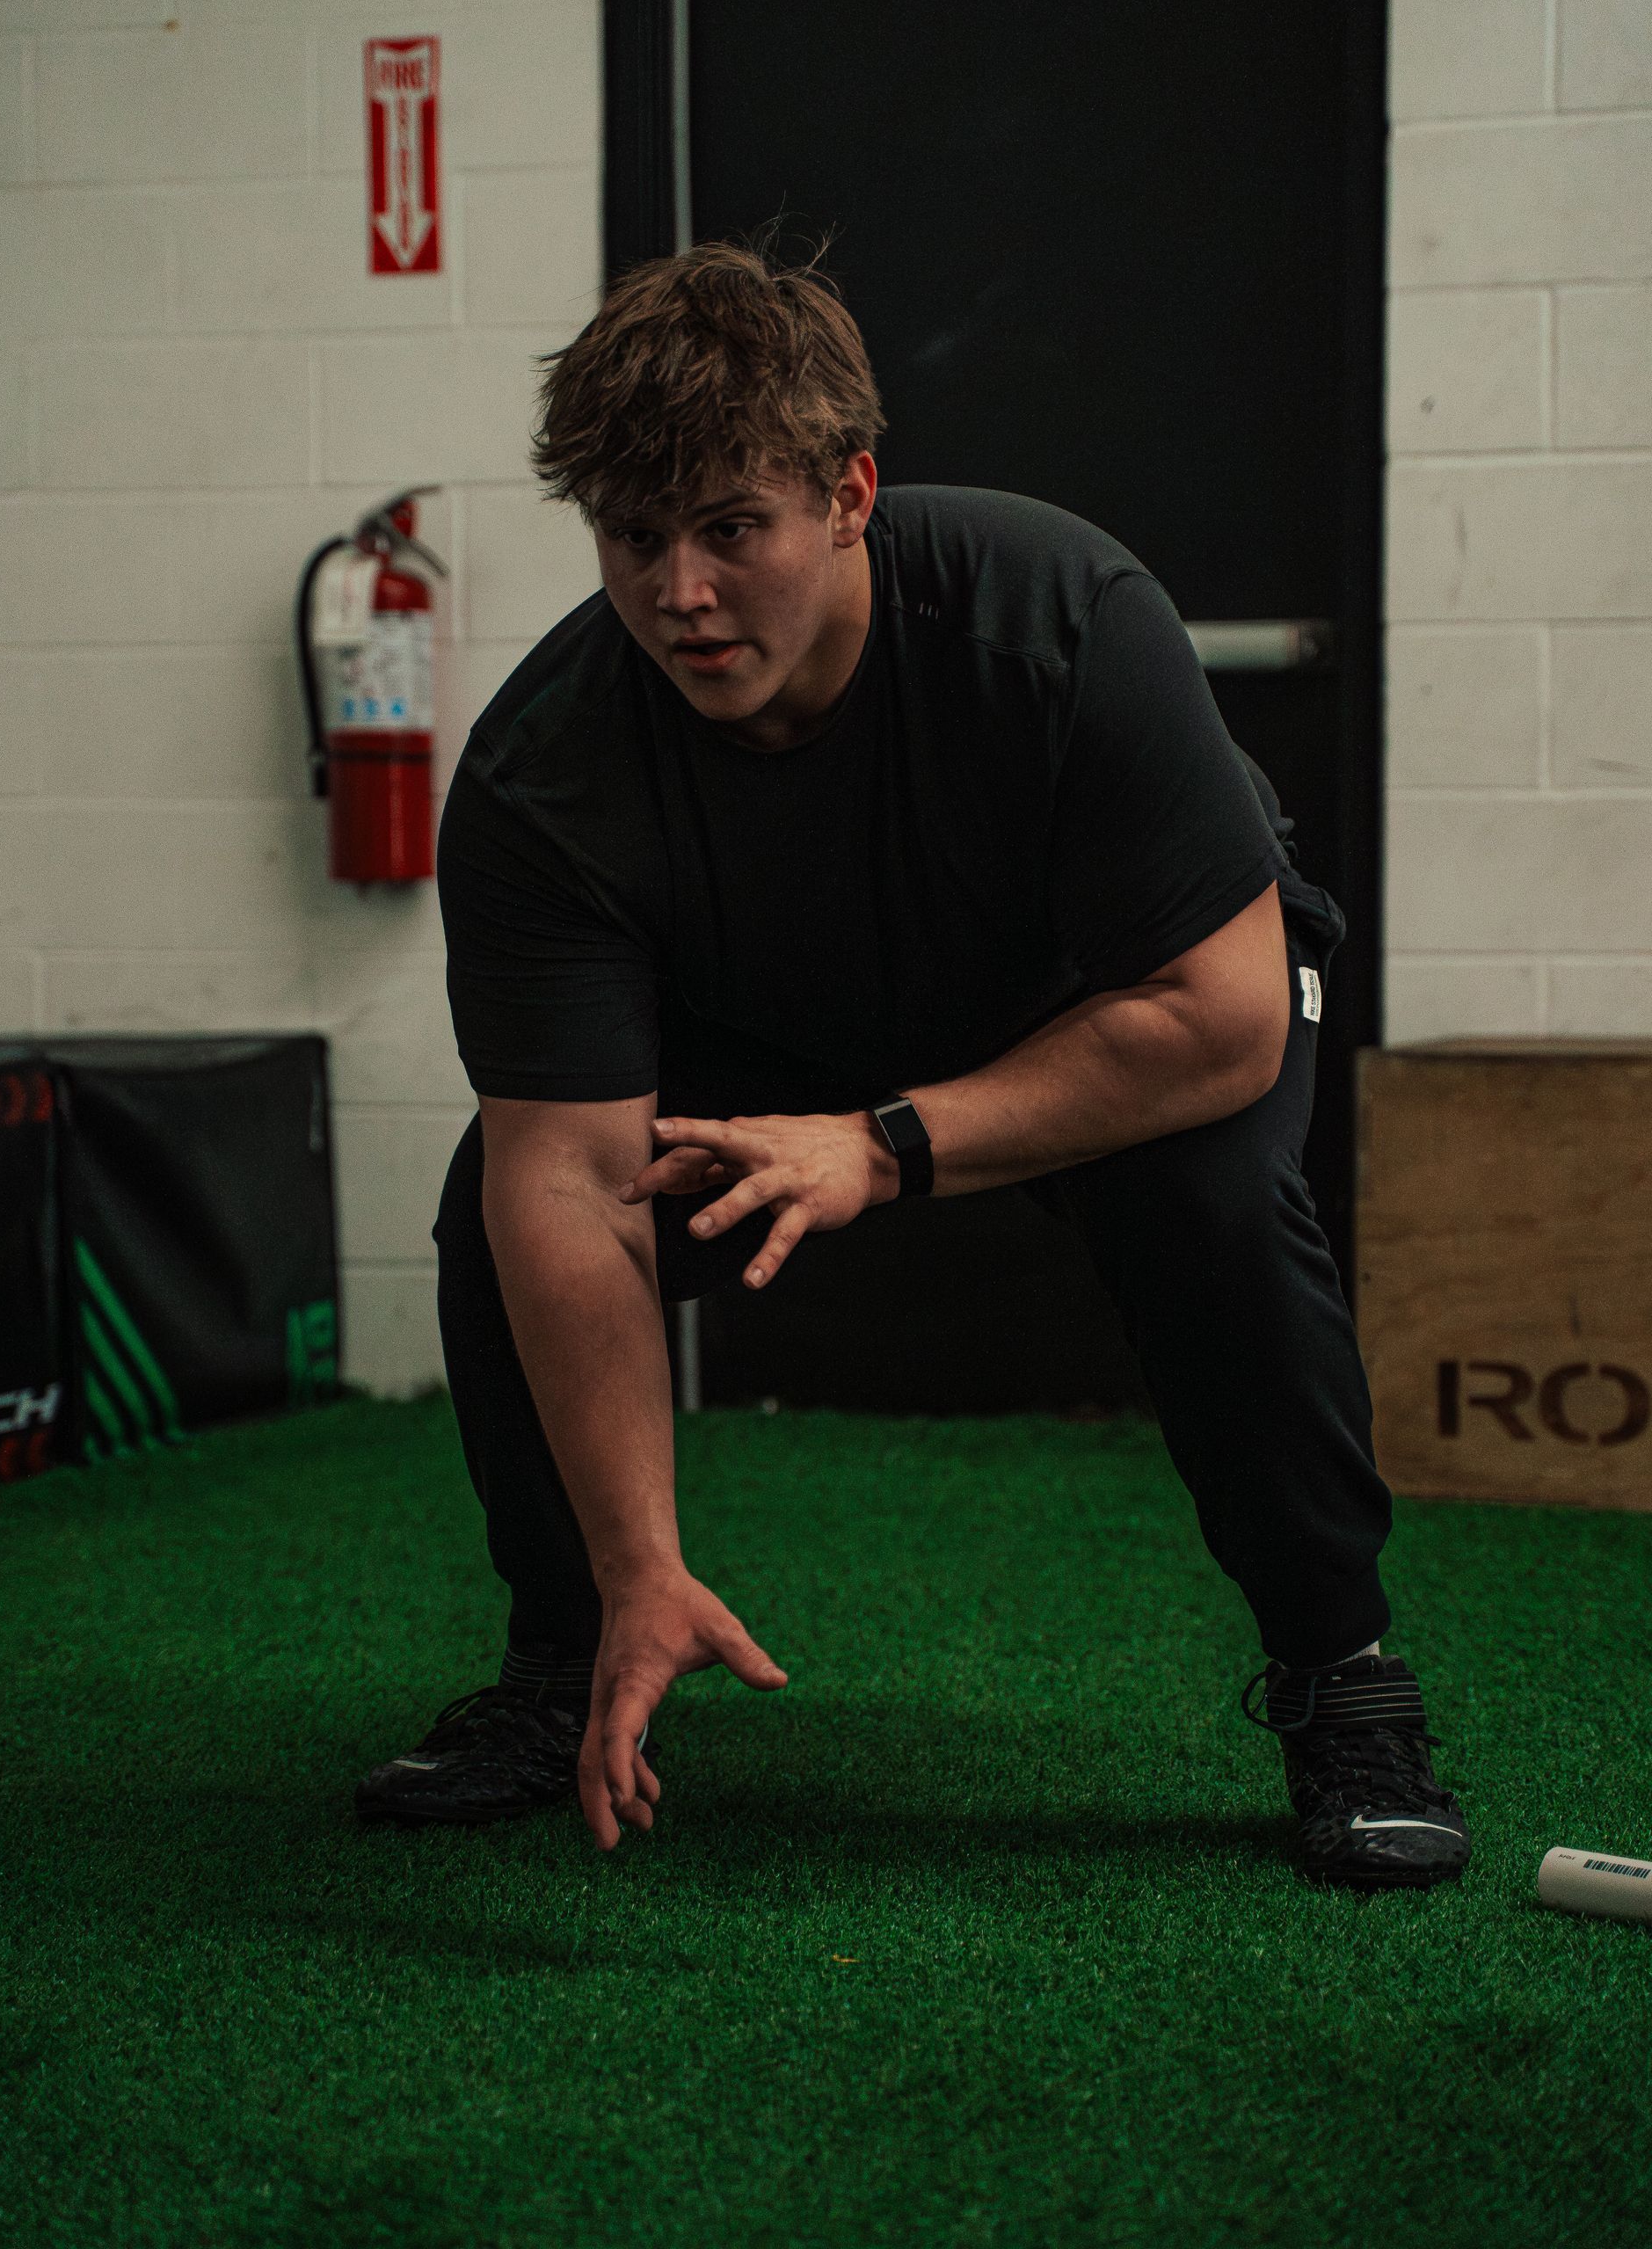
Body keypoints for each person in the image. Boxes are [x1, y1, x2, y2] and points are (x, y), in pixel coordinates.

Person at [354, 243, 1469, 1892]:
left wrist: (880, 1145)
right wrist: (642, 1556)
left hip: (1117, 996)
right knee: (495, 1207)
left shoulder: (1060, 616)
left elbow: (1220, 1017)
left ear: (850, 496)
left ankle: (1342, 1674)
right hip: (795, 1016)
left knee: (1216, 1198)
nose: (680, 592)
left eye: (732, 529)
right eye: (634, 538)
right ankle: (571, 1650)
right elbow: (569, 1177)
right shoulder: (546, 775)